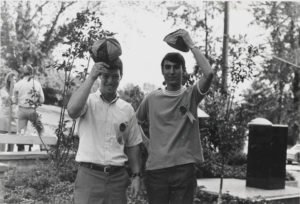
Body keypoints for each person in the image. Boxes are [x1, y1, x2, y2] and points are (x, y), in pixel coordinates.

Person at [136, 29, 214, 204]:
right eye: (167, 67)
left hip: (183, 170)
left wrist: (191, 44)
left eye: (176, 67)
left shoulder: (191, 95)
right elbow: (135, 122)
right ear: (162, 71)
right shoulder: (151, 98)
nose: (171, 71)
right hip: (156, 170)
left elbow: (208, 73)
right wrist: (147, 142)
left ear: (183, 71)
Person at [67, 58, 142, 204]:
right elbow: (72, 110)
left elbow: (133, 145)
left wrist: (136, 175)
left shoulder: (127, 109)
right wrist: (91, 77)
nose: (110, 80)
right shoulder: (87, 102)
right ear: (100, 77)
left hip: (117, 179)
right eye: (106, 76)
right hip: (89, 177)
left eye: (115, 76)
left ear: (121, 76)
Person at [14, 64, 45, 152]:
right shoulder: (36, 83)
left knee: (21, 132)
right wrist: (36, 102)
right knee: (40, 130)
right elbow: (42, 100)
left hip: (21, 110)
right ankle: (42, 148)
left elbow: (15, 100)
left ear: (23, 73)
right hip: (32, 110)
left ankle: (21, 150)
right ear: (32, 73)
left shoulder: (18, 84)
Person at [0, 72, 17, 151]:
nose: (15, 81)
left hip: (13, 117)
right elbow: (8, 100)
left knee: (12, 139)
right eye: (14, 79)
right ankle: (2, 157)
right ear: (9, 80)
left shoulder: (16, 91)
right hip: (4, 117)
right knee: (2, 139)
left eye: (16, 79)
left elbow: (17, 101)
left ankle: (10, 156)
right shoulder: (3, 90)